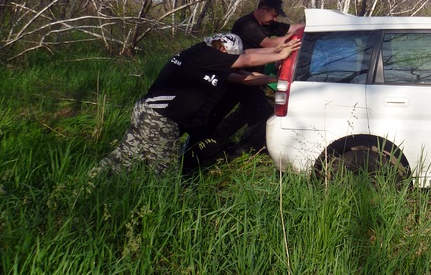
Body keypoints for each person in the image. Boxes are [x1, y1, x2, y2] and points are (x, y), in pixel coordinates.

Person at [95, 34, 300, 175]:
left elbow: (244, 77)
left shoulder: (207, 59)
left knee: (125, 156)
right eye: (230, 56)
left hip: (149, 113)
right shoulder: (204, 54)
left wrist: (277, 80)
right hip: (160, 119)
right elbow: (246, 60)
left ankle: (86, 184)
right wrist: (279, 55)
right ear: (220, 47)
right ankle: (165, 209)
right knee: (164, 172)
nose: (231, 60)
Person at [197, 0, 303, 160]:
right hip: (233, 77)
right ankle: (200, 147)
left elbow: (292, 28)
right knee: (216, 113)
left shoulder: (268, 23)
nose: (275, 18)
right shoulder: (246, 24)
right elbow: (268, 45)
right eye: (274, 14)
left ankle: (237, 152)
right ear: (262, 9)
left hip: (251, 80)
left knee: (259, 113)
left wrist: (313, 26)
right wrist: (292, 42)